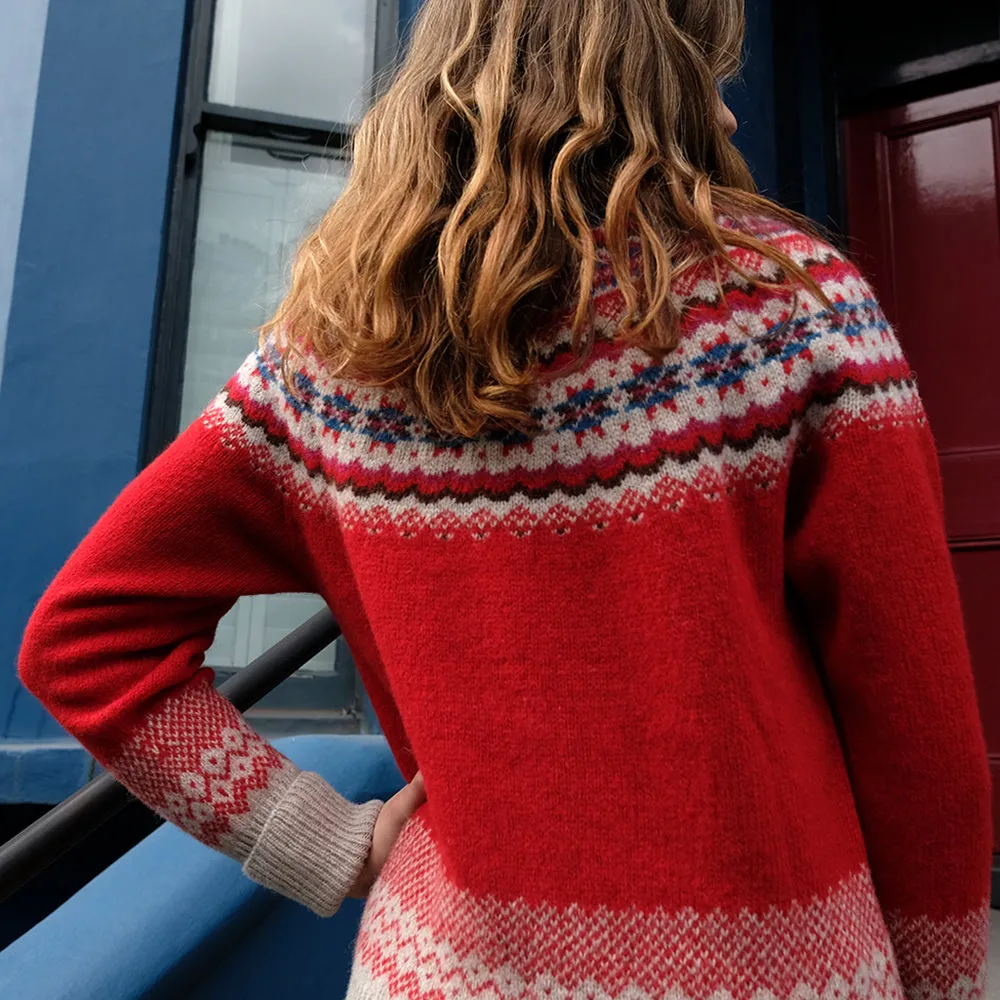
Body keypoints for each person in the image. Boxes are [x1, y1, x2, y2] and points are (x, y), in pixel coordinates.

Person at [19, 0, 991, 996]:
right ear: (647, 72)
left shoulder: (326, 366)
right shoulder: (789, 313)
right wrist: (940, 979)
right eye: (701, 64)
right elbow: (921, 751)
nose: (729, 112)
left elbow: (85, 644)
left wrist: (324, 845)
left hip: (436, 970)